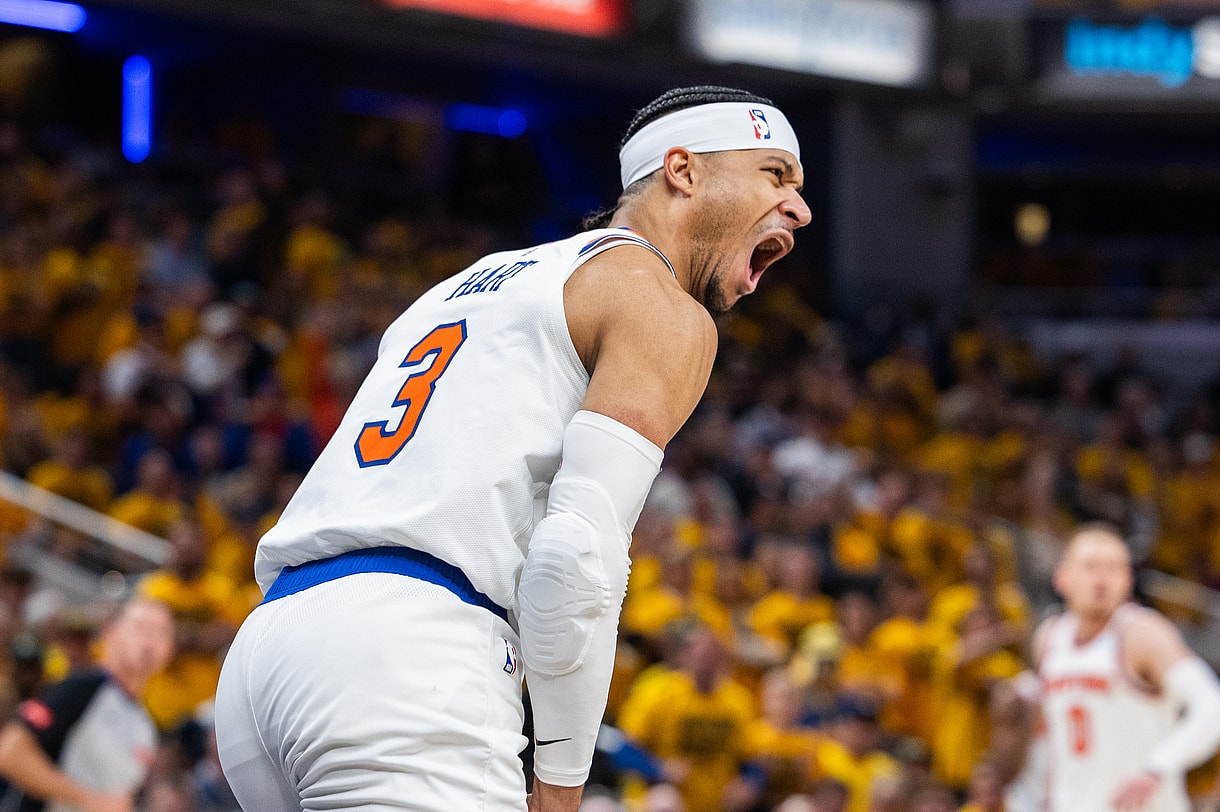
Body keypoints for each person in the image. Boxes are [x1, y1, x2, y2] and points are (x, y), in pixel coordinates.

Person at [214, 84, 810, 812]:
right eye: (775, 174)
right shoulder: (657, 303)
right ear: (682, 170)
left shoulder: (460, 287)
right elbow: (574, 562)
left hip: (268, 651)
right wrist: (560, 789)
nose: (800, 207)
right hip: (412, 655)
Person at [1032, 522, 1220, 811]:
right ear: (1062, 577)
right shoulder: (1049, 638)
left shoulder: (1141, 633)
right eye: (1091, 566)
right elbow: (1054, 735)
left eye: (1114, 567)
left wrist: (1157, 766)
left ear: (1128, 580)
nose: (1101, 578)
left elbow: (1212, 707)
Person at [0, 597, 176, 812]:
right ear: (110, 633)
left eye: (161, 632)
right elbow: (10, 752)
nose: (149, 639)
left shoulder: (145, 728)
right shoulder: (83, 687)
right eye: (140, 627)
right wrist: (86, 798)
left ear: (170, 650)